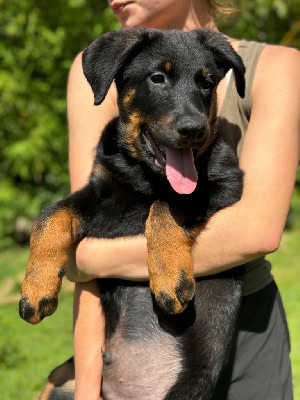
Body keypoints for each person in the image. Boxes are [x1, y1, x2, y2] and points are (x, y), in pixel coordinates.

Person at [66, 1, 300, 399]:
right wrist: (87, 388)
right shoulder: (110, 63)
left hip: (245, 333)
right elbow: (89, 224)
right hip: (130, 342)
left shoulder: (278, 67)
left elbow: (257, 233)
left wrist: (88, 259)